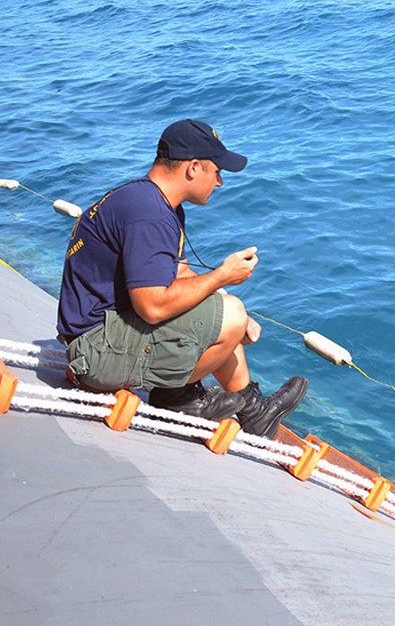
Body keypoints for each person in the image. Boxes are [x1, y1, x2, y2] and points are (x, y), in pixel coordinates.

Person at [56, 118, 307, 438]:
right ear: (193, 168)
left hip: (103, 332)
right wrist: (221, 278)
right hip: (93, 353)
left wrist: (224, 298)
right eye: (217, 171)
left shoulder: (153, 202)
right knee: (228, 314)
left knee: (226, 309)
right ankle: (175, 397)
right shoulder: (149, 214)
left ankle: (252, 411)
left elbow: (178, 274)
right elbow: (153, 307)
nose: (219, 182)